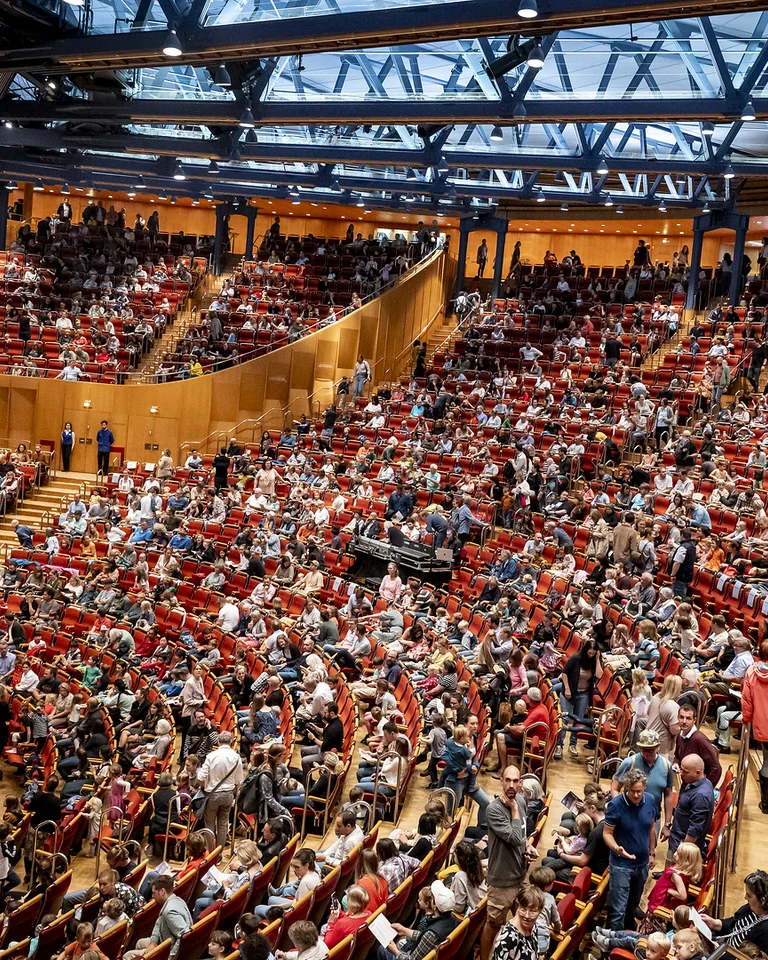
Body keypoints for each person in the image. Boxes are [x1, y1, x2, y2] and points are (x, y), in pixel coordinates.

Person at [480, 766, 537, 960]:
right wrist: (513, 809)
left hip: (519, 874)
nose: (511, 785)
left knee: (524, 921)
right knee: (493, 924)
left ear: (520, 783)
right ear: (501, 781)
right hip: (501, 880)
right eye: (507, 780)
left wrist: (527, 845)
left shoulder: (521, 801)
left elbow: (521, 833)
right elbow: (513, 837)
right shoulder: (494, 809)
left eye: (515, 781)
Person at [603, 769, 656, 931]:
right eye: (632, 791)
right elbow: (607, 833)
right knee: (618, 909)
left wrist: (652, 852)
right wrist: (616, 848)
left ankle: (626, 935)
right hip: (621, 865)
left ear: (645, 788)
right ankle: (612, 947)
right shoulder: (616, 805)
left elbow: (651, 827)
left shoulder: (651, 800)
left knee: (632, 905)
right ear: (626, 788)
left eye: (639, 791)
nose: (636, 795)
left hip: (642, 864)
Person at [123, 875, 192, 959]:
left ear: (162, 891)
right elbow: (159, 922)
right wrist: (153, 942)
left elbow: (184, 935)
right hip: (165, 939)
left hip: (168, 950)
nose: (152, 896)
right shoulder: (177, 900)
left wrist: (171, 957)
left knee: (127, 956)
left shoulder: (170, 912)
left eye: (154, 892)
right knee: (140, 943)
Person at [662, 754, 714, 859]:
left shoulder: (700, 795)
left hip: (681, 845)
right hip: (677, 839)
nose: (681, 774)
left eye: (685, 772)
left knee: (673, 873)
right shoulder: (698, 782)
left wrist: (682, 853)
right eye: (681, 769)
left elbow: (695, 828)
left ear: (698, 772)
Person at [700, 870, 768, 950]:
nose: (745, 897)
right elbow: (735, 923)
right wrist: (716, 924)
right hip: (723, 945)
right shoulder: (752, 908)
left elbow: (748, 956)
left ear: (762, 900)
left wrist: (721, 952)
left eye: (749, 895)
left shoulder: (765, 931)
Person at [198, 731, 244, 848]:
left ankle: (210, 852)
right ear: (231, 741)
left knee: (209, 824)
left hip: (212, 794)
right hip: (228, 794)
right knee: (223, 824)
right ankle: (219, 853)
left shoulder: (211, 756)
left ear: (218, 742)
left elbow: (200, 777)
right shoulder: (236, 757)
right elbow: (239, 780)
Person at [741, 640, 768, 812]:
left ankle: (766, 803)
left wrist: (747, 720)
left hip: (762, 725)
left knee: (767, 763)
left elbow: (747, 701)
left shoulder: (751, 672)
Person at [491, 883, 545, 960]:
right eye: (523, 909)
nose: (527, 916)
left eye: (532, 911)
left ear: (540, 910)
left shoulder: (532, 925)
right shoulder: (508, 937)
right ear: (518, 906)